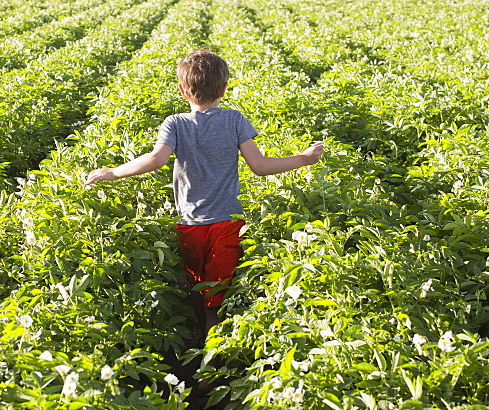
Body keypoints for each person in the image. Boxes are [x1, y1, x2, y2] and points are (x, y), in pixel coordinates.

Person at [85, 49, 324, 348]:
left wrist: (114, 172)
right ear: (224, 89)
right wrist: (302, 159)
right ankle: (212, 355)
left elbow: (156, 160)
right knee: (217, 293)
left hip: (190, 224)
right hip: (228, 223)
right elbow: (260, 167)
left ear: (182, 90)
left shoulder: (175, 124)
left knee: (199, 287)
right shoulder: (234, 120)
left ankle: (205, 354)